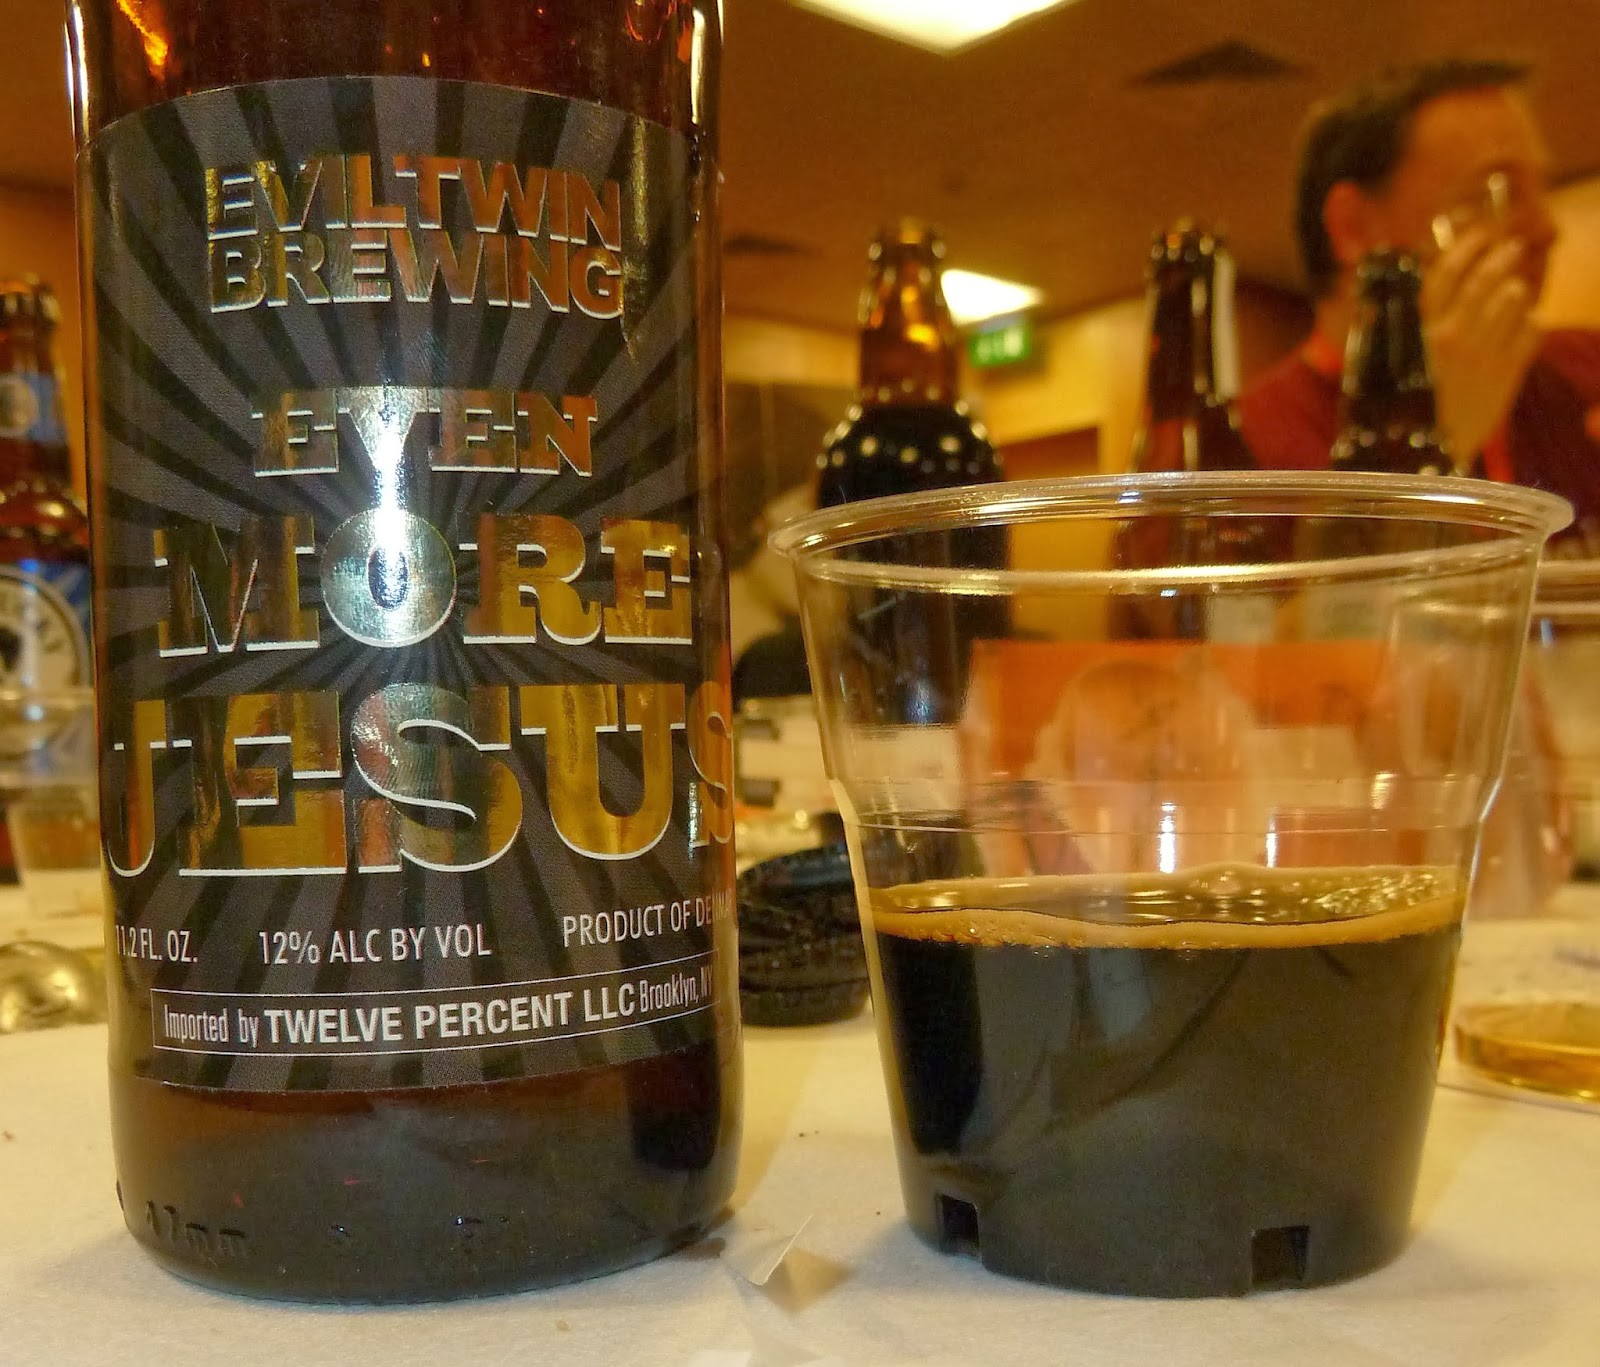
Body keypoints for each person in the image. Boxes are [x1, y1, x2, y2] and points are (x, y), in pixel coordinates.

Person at [1239, 58, 1600, 553]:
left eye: (1541, 188)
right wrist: (1432, 441)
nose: (1547, 229)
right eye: (1496, 191)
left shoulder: (1582, 370)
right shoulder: (1249, 448)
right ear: (1355, 227)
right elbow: (1331, 602)